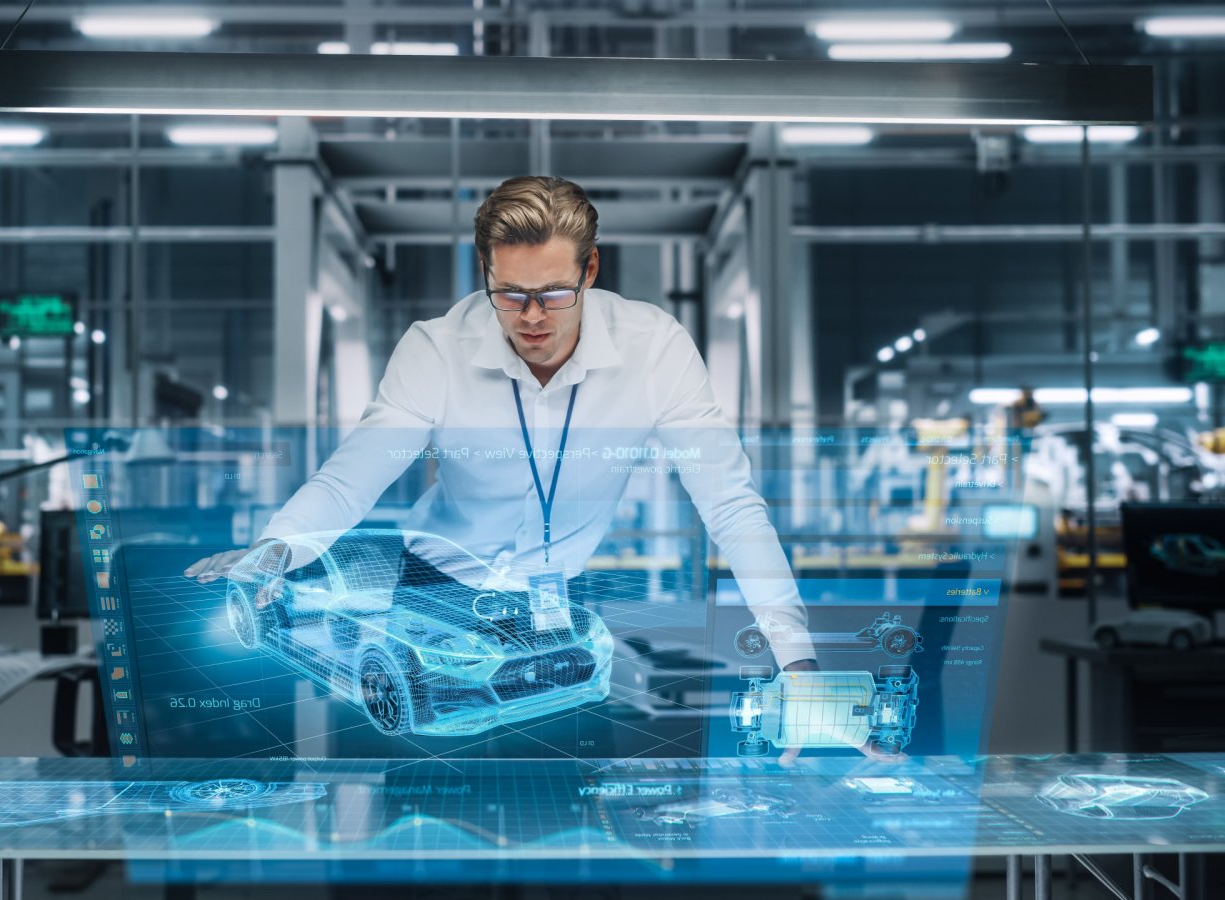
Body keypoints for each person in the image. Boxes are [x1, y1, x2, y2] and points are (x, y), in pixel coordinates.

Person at [187, 175, 820, 753]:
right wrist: (277, 548)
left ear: (591, 268)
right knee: (425, 774)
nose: (533, 316)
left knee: (556, 777)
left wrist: (797, 662)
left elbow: (730, 505)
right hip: (432, 586)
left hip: (549, 601)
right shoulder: (437, 349)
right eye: (509, 294)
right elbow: (350, 479)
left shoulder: (653, 349)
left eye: (553, 292)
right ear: (485, 273)